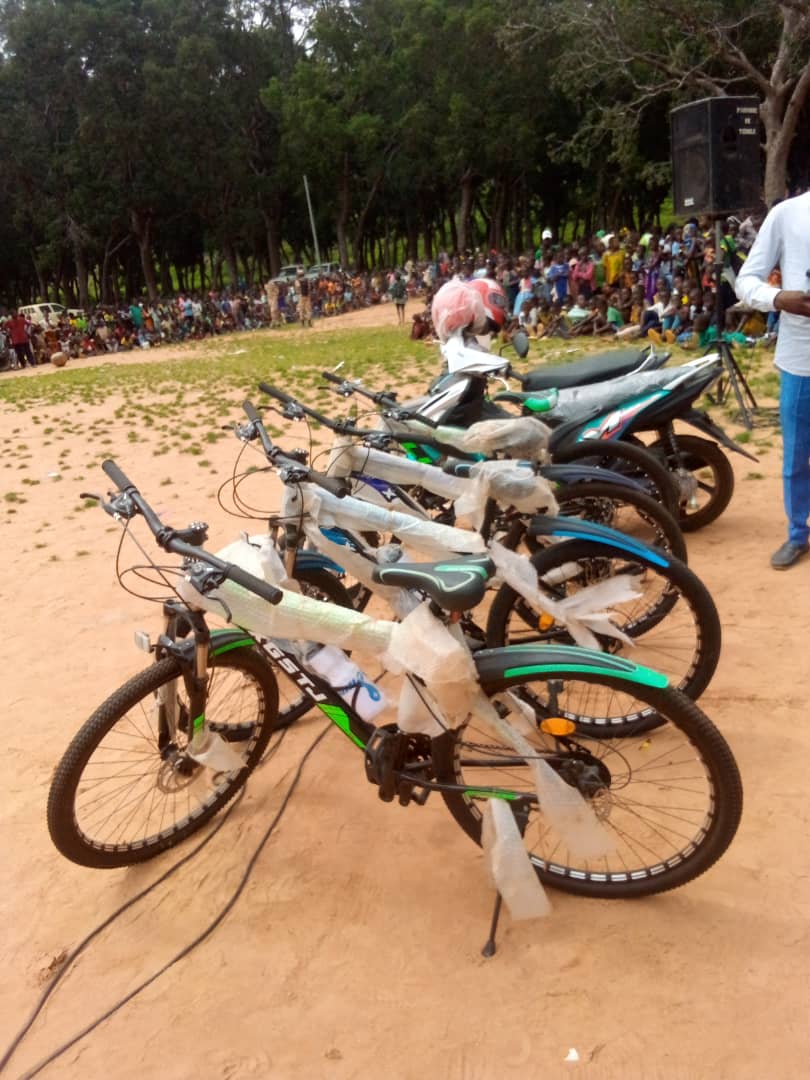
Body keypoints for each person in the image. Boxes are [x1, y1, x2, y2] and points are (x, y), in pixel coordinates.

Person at [735, 189, 810, 569]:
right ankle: (799, 534)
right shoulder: (788, 214)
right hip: (802, 360)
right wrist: (780, 299)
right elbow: (745, 280)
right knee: (797, 456)